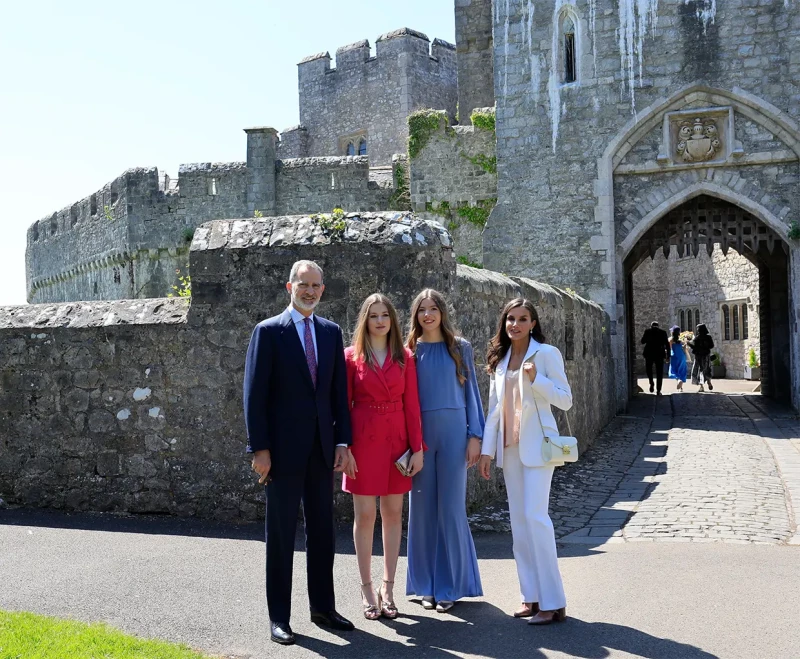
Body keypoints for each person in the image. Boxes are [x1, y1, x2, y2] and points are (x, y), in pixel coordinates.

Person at [243, 259, 354, 646]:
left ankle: (323, 608)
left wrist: (342, 442)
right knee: (281, 533)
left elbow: (338, 395)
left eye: (316, 285)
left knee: (324, 531)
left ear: (323, 289)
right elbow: (254, 396)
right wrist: (260, 449)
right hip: (282, 453)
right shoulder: (269, 332)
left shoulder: (330, 332)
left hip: (323, 450)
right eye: (303, 284)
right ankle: (280, 618)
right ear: (289, 287)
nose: (310, 291)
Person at [478, 298, 572, 626]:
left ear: (533, 323)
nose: (515, 324)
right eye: (510, 319)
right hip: (510, 449)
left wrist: (538, 381)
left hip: (540, 448)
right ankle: (530, 595)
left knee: (536, 517)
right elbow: (493, 410)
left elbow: (565, 400)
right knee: (518, 523)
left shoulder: (545, 354)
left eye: (522, 319)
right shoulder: (501, 360)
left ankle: (552, 601)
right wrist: (488, 451)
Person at [342, 293, 424, 621]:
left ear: (392, 320)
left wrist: (417, 448)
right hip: (362, 442)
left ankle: (388, 587)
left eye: (385, 316)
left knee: (392, 515)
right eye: (373, 315)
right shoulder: (350, 357)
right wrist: (343, 447)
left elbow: (413, 406)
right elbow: (342, 407)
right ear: (365, 320)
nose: (379, 321)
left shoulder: (405, 357)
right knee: (364, 517)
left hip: (397, 443)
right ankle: (365, 588)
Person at [405, 289, 484, 614]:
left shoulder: (459, 348)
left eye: (433, 308)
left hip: (454, 435)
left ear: (442, 312)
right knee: (421, 511)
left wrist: (475, 435)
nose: (427, 315)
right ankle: (426, 585)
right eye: (422, 309)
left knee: (451, 510)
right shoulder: (408, 351)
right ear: (415, 315)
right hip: (420, 437)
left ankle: (451, 585)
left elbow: (473, 394)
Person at [640, 321, 670, 395]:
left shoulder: (647, 331)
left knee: (648, 370)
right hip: (659, 354)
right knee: (659, 373)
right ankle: (658, 390)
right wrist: (668, 356)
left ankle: (651, 382)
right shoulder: (663, 332)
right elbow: (667, 345)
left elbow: (642, 341)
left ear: (651, 326)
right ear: (658, 326)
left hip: (649, 354)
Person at [689, 323, 715, 392]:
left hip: (698, 357)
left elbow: (695, 347)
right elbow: (712, 345)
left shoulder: (697, 338)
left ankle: (701, 386)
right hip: (706, 355)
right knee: (707, 369)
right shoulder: (708, 337)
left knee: (699, 370)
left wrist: (688, 343)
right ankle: (709, 382)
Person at [668, 326, 689, 391]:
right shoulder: (681, 340)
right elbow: (685, 348)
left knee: (674, 370)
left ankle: (679, 381)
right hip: (681, 356)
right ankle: (681, 385)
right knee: (682, 370)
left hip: (674, 356)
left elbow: (669, 348)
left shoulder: (670, 340)